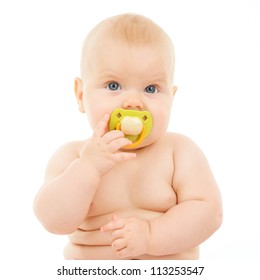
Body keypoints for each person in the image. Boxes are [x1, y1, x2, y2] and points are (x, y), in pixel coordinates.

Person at [33, 13, 222, 260]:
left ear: (171, 98)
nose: (133, 103)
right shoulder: (72, 157)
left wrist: (151, 236)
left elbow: (210, 213)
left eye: (151, 89)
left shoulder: (179, 153)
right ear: (81, 96)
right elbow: (52, 221)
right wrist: (87, 168)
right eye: (113, 86)